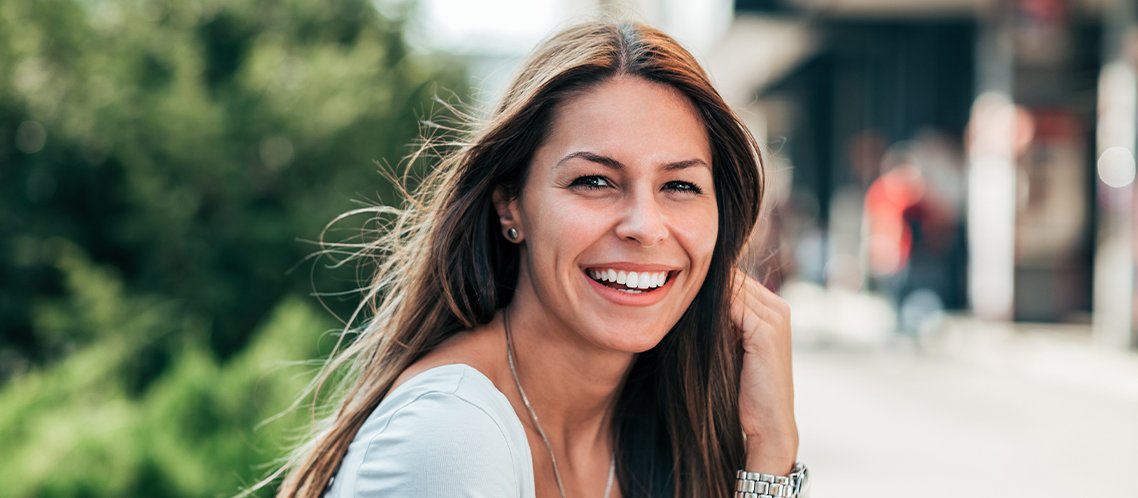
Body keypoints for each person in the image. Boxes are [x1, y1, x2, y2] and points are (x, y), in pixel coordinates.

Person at [267, 20, 806, 498]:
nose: (645, 226)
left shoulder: (651, 421)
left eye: (680, 185)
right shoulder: (450, 435)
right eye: (594, 181)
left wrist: (770, 447)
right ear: (511, 205)